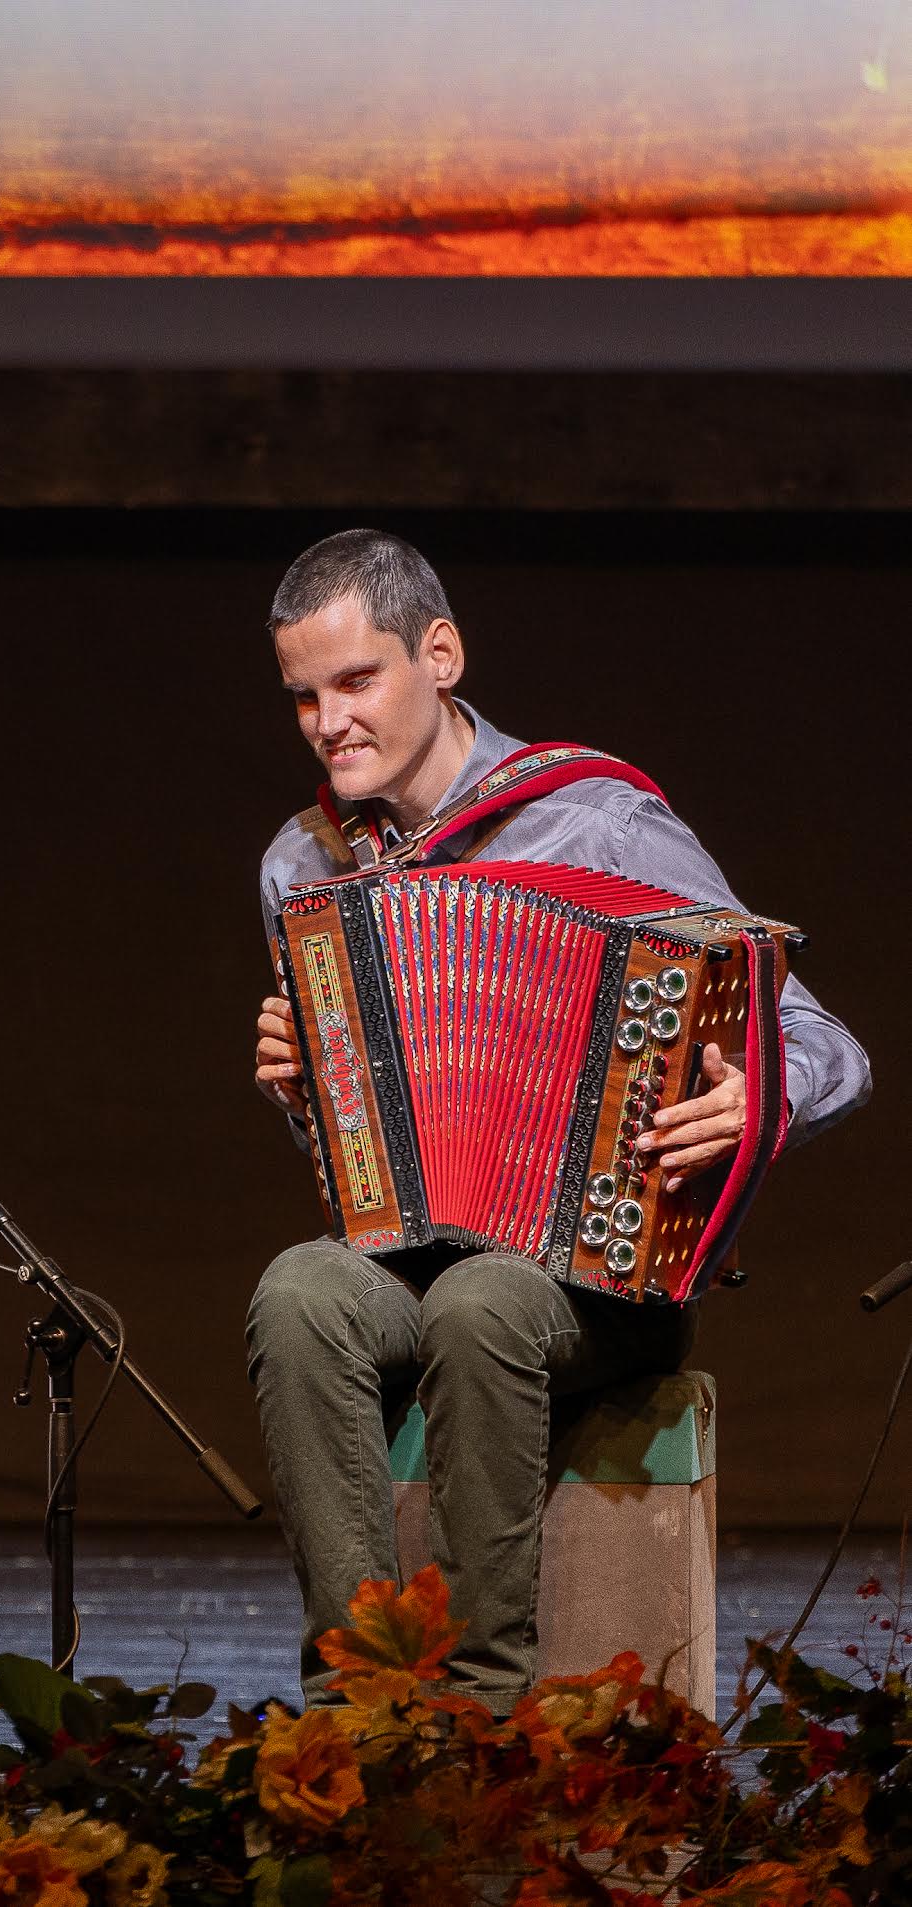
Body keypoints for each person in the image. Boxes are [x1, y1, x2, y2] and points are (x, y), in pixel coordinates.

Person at [244, 528, 869, 1712]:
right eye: (303, 697)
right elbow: (354, 1166)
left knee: (486, 1302)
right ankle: (362, 1698)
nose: (328, 722)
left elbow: (824, 1039)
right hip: (408, 1256)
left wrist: (752, 1100)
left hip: (596, 1274)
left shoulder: (598, 822)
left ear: (440, 653)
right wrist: (304, 1092)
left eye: (356, 680)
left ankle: (480, 1710)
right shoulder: (303, 862)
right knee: (296, 1291)